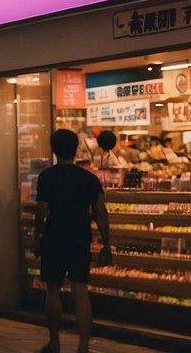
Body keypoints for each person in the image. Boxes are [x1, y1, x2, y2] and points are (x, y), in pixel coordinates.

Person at [33, 130, 110, 353]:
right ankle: (83, 346)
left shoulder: (47, 177)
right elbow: (101, 212)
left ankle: (55, 341)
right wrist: (107, 242)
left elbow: (41, 210)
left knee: (53, 289)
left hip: (54, 237)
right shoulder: (89, 179)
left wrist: (37, 235)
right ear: (76, 150)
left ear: (54, 150)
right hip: (79, 238)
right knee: (80, 291)